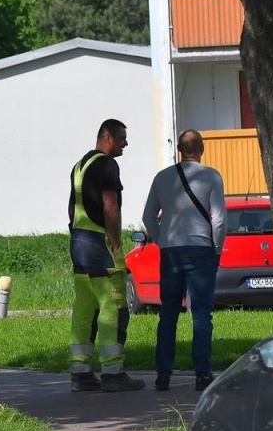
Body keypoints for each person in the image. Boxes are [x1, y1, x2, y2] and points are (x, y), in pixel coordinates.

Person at [141, 130, 226, 392]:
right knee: (201, 314)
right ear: (202, 148)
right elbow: (219, 219)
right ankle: (202, 375)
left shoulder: (162, 177)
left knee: (168, 314)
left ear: (179, 148)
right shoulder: (211, 176)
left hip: (171, 252)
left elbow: (147, 217)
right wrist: (216, 249)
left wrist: (161, 240)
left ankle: (163, 375)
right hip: (201, 249)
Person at [68, 118, 145, 392]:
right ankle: (113, 371)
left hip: (78, 241)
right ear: (108, 137)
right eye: (123, 138)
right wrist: (116, 245)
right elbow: (110, 207)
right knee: (113, 305)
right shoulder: (107, 164)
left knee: (85, 307)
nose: (126, 143)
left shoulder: (80, 165)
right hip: (98, 243)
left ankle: (81, 372)